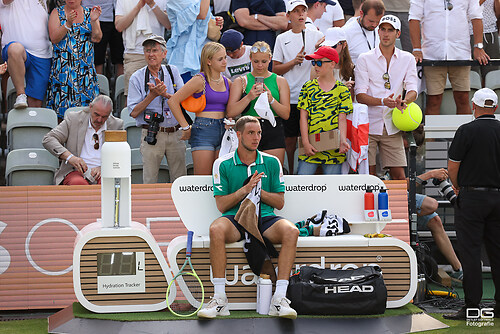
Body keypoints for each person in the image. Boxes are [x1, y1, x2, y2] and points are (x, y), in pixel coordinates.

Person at [197, 115, 299, 319]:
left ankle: (279, 299)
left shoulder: (271, 162)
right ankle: (219, 299)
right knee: (216, 229)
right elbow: (221, 205)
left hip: (265, 218)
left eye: (259, 133)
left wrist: (258, 190)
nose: (256, 137)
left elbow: (279, 202)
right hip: (235, 218)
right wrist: (245, 189)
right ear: (239, 135)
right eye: (251, 133)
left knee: (292, 231)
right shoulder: (222, 163)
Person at [445, 88, 500, 320]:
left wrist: (457, 187)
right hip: (498, 197)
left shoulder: (466, 130)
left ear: (473, 106)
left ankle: (471, 306)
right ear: (495, 108)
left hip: (472, 197)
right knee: (498, 253)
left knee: (470, 253)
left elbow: (453, 167)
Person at [355, 14, 418, 180]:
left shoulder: (408, 58)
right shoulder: (364, 58)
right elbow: (360, 95)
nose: (385, 33)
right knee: (368, 177)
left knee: (399, 177)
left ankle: (402, 206)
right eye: (382, 29)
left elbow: (413, 89)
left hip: (392, 124)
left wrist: (404, 101)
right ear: (378, 31)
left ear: (398, 34)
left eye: (390, 30)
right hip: (366, 124)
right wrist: (384, 101)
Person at [409, 0, 489, 115]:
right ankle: (432, 133)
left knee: (463, 98)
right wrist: (416, 49)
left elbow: (476, 17)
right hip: (432, 54)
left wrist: (478, 46)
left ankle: (464, 133)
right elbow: (413, 18)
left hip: (461, 53)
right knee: (433, 100)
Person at [273, 0, 324, 174]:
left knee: (309, 139)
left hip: (312, 98)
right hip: (290, 97)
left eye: (303, 10)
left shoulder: (317, 35)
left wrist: (319, 52)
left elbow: (325, 61)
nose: (301, 14)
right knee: (290, 140)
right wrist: (293, 62)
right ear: (288, 16)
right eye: (296, 11)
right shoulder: (281, 38)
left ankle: (307, 175)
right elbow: (274, 68)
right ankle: (290, 172)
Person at [127, 35, 187, 184]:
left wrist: (164, 94)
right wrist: (152, 95)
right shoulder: (137, 77)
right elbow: (133, 112)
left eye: (154, 50)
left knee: (180, 182)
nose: (151, 54)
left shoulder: (173, 71)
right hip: (151, 133)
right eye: (147, 50)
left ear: (164, 54)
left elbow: (184, 100)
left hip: (175, 133)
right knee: (149, 180)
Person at [168, 42, 231, 175]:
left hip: (224, 129)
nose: (225, 62)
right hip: (204, 129)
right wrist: (185, 127)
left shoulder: (227, 81)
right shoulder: (199, 80)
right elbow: (173, 101)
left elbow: (230, 109)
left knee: (221, 177)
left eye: (225, 57)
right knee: (203, 179)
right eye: (220, 59)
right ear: (208, 61)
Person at [227, 41, 290, 165]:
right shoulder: (241, 81)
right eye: (256, 61)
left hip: (273, 127)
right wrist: (249, 97)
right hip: (248, 126)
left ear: (270, 59)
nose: (260, 65)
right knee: (247, 172)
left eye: (264, 62)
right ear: (250, 59)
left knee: (273, 172)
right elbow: (230, 112)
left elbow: (286, 114)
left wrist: (271, 100)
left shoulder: (280, 81)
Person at [42, 95, 124, 185]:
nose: (99, 120)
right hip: (74, 170)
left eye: (104, 117)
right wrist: (70, 158)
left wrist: (103, 167)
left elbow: (120, 155)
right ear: (90, 107)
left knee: (108, 183)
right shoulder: (74, 119)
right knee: (78, 183)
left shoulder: (117, 125)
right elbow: (48, 139)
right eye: (96, 114)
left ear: (110, 114)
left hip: (105, 171)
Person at [297, 46, 351, 175]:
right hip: (310, 147)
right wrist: (305, 143)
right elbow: (303, 117)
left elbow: (342, 118)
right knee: (302, 186)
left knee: (333, 190)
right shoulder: (308, 87)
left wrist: (343, 140)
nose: (316, 66)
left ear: (332, 64)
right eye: (314, 62)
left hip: (333, 150)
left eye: (320, 62)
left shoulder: (342, 90)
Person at [46, 1, 102, 119]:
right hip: (63, 73)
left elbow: (97, 38)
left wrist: (94, 21)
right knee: (62, 117)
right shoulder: (57, 12)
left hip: (85, 73)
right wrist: (68, 24)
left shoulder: (89, 12)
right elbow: (54, 38)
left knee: (87, 116)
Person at [0, 0, 52, 109]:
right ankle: (20, 94)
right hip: (14, 50)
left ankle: (30, 125)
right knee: (15, 49)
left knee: (35, 106)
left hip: (42, 53)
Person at [414, 169, 463, 281]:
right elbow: (400, 184)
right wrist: (430, 174)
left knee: (435, 221)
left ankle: (457, 269)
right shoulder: (394, 151)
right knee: (431, 205)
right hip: (391, 195)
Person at [115, 0, 170, 96]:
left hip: (157, 54)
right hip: (133, 54)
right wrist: (138, 6)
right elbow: (119, 26)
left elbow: (168, 24)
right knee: (132, 96)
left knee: (161, 95)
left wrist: (152, 4)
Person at [82, 0, 124, 76]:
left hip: (119, 14)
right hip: (97, 14)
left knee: (121, 57)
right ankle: (98, 84)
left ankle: (120, 85)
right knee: (97, 57)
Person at [341, 0, 384, 64]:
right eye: (371, 21)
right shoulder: (346, 31)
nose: (374, 25)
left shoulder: (381, 29)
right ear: (361, 14)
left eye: (378, 21)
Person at [469, 0, 500, 84]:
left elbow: (498, 14)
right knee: (474, 73)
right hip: (472, 33)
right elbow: (470, 8)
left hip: (492, 32)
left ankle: (490, 95)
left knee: (492, 72)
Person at [322, 27, 355, 95]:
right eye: (327, 46)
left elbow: (351, 98)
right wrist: (340, 89)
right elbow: (315, 96)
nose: (329, 49)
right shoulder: (318, 65)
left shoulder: (350, 68)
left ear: (344, 45)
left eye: (333, 46)